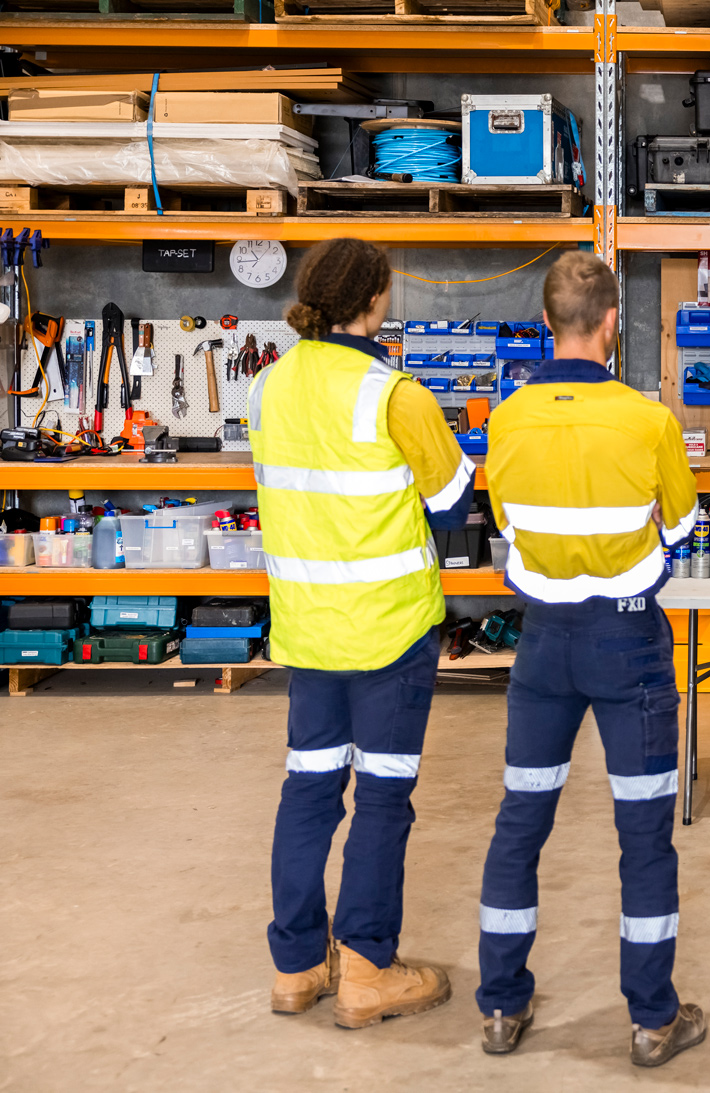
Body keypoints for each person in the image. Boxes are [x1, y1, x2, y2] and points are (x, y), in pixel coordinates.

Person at [474, 251, 707, 1067]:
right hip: (629, 641)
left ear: (548, 323)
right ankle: (651, 1018)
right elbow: (679, 529)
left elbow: (506, 519)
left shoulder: (507, 418)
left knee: (520, 823)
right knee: (643, 835)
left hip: (541, 643)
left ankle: (501, 1006)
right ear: (613, 324)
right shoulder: (649, 421)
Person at [253, 237, 475, 1028]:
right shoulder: (395, 394)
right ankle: (368, 970)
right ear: (376, 301)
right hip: (387, 632)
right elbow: (451, 499)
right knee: (383, 797)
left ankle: (295, 966)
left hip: (308, 630)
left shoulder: (268, 387)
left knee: (309, 791)